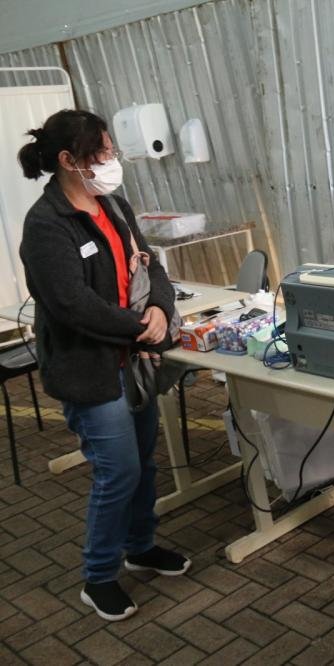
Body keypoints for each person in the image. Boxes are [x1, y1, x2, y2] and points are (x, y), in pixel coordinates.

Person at [17, 110, 191, 622]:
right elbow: (71, 305)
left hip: (133, 358)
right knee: (118, 472)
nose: (112, 161)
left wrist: (159, 307)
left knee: (143, 462)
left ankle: (140, 547)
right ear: (68, 160)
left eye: (112, 151)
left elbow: (150, 265)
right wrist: (139, 327)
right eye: (104, 153)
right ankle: (98, 577)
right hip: (90, 369)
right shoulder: (47, 225)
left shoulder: (112, 204)